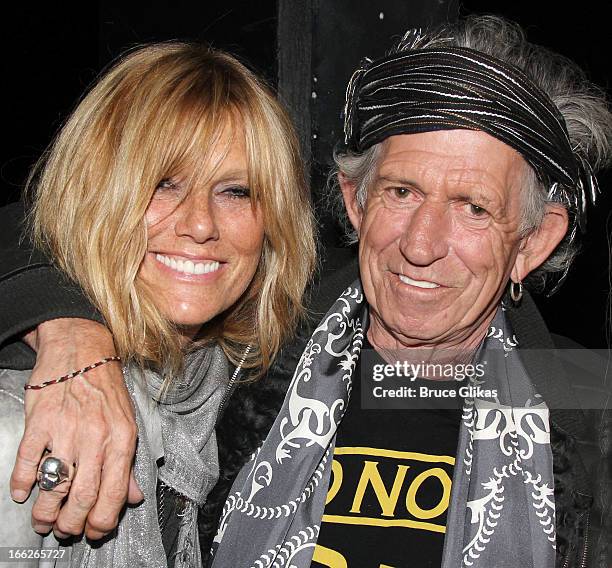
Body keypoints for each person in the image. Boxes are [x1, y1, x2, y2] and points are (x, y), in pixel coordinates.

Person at [0, 14, 611, 568]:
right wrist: (70, 331)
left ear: (532, 242)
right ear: (356, 200)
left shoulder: (591, 423)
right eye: (401, 192)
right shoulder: (253, 362)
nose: (422, 244)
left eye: (473, 207)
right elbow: (50, 224)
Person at [0, 41, 315, 566]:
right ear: (93, 196)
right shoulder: (29, 431)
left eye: (236, 191)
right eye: (163, 184)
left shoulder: (211, 391)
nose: (200, 224)